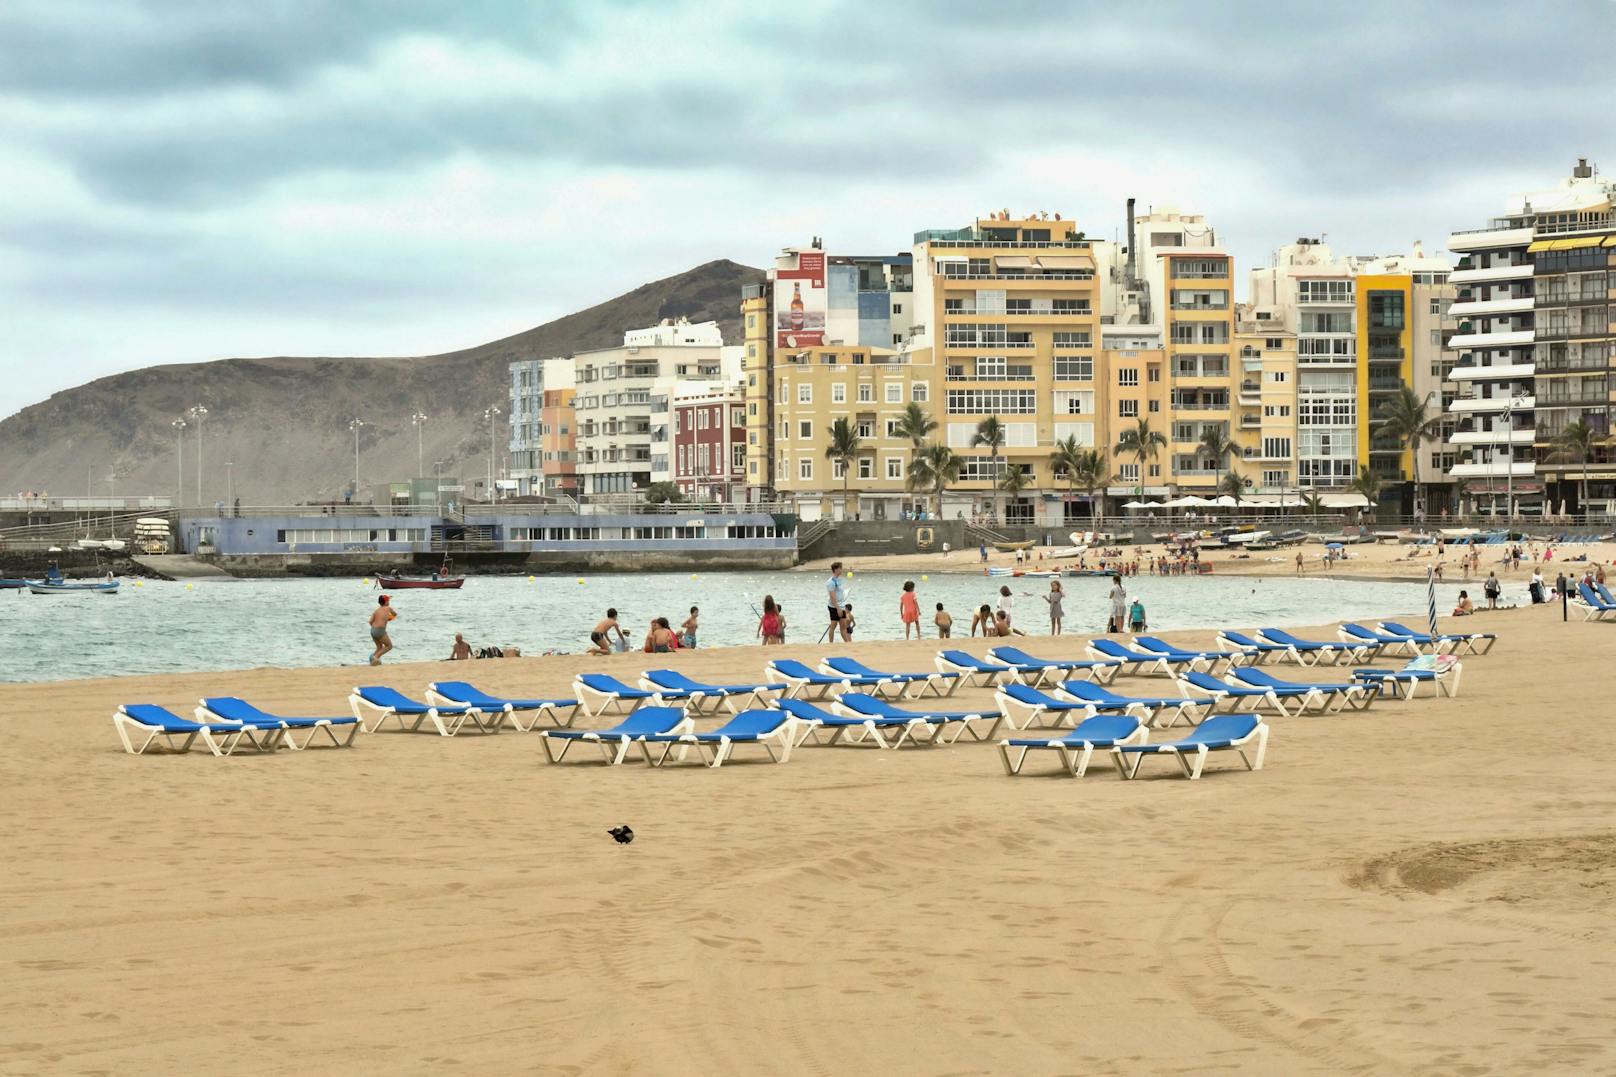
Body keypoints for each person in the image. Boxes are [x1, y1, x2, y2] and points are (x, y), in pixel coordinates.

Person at [368, 595, 397, 666]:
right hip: (380, 630)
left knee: (379, 647)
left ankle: (372, 660)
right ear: (386, 602)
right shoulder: (388, 608)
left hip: (373, 630)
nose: (389, 602)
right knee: (389, 646)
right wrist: (390, 618)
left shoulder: (376, 611)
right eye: (388, 600)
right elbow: (395, 614)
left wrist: (375, 627)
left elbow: (370, 621)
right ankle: (376, 657)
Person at [826, 561, 851, 643]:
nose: (841, 570)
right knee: (833, 625)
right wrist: (838, 608)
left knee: (843, 625)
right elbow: (832, 597)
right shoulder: (830, 582)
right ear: (836, 569)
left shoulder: (839, 580)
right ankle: (831, 643)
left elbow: (840, 592)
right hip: (834, 606)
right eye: (840, 568)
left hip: (842, 605)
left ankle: (847, 642)